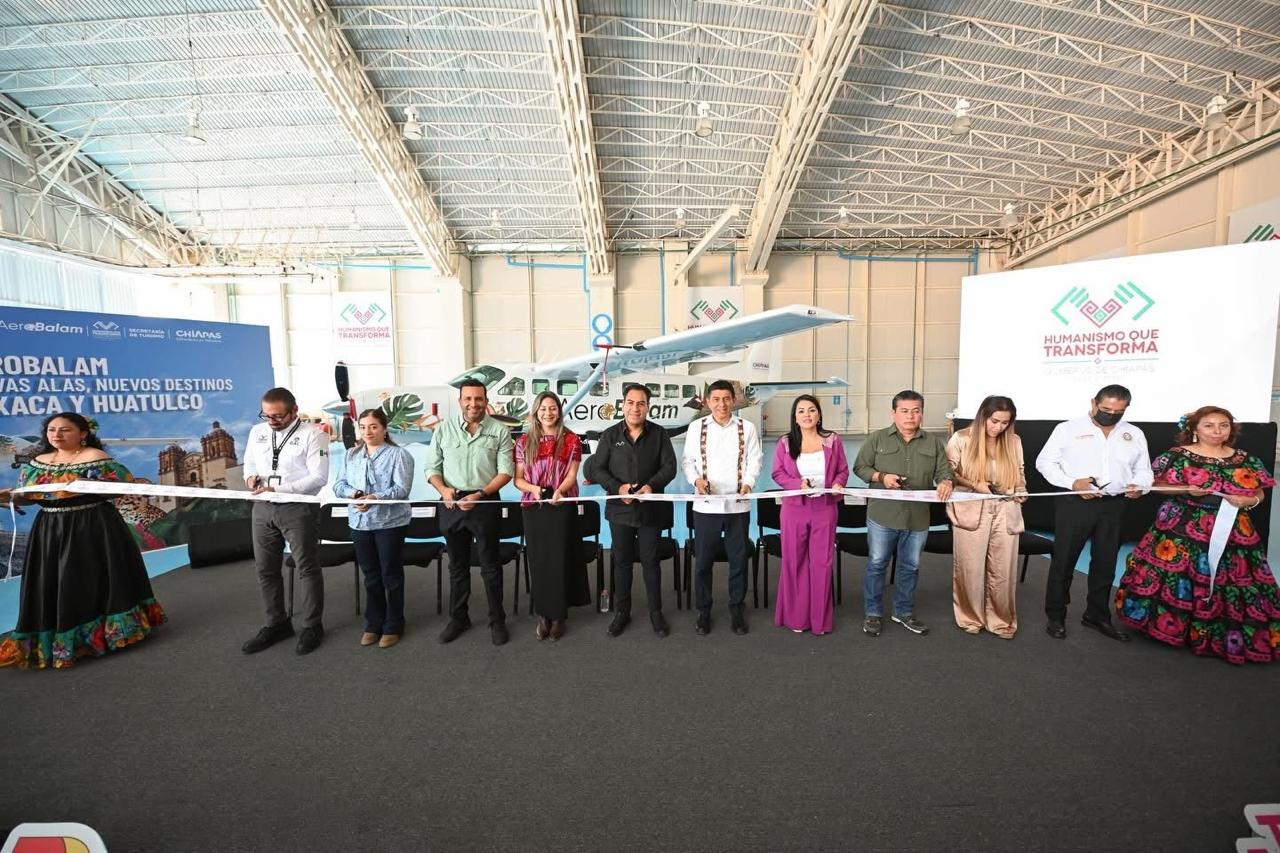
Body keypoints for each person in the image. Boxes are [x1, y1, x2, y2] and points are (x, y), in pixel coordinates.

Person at [0, 413, 166, 669]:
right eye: (52, 429)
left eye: (65, 429)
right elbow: (29, 497)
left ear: (83, 433)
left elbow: (123, 488)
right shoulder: (37, 462)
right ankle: (62, 637)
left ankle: (106, 634)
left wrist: (87, 486)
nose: (56, 434)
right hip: (50, 529)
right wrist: (11, 498)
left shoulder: (95, 458)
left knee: (91, 578)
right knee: (57, 580)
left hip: (93, 526)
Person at [1115, 406, 1279, 664]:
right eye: (1209, 425)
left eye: (1223, 425)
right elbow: (1154, 485)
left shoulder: (1245, 458)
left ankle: (1222, 635)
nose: (1217, 431)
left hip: (1233, 529)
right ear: (1194, 429)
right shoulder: (1177, 456)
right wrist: (1185, 489)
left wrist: (1249, 501)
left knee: (1232, 578)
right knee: (1180, 576)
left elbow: (1259, 491)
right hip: (1181, 527)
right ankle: (1174, 629)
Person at [1036, 384, 1153, 642]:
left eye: (1118, 412)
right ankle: (1055, 615)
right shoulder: (1067, 429)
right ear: (1093, 403)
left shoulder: (1134, 434)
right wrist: (1072, 483)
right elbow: (1044, 462)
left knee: (1106, 562)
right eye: (1106, 409)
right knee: (1064, 560)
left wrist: (1140, 486)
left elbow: (1144, 470)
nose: (1111, 415)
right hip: (1074, 503)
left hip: (1115, 504)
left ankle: (1097, 615)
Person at [853, 390, 953, 637]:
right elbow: (860, 467)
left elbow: (944, 471)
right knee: (877, 564)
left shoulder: (933, 443)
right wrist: (881, 477)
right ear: (894, 413)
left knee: (911, 566)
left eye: (916, 411)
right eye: (904, 411)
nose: (910, 416)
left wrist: (945, 481)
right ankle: (873, 613)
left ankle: (903, 611)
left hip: (917, 517)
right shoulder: (877, 439)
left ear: (922, 413)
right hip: (883, 515)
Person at [242, 386, 330, 656]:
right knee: (265, 569)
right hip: (262, 508)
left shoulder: (314, 435)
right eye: (266, 415)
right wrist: (250, 478)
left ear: (294, 411)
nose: (271, 421)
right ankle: (276, 623)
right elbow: (249, 464)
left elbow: (318, 478)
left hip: (298, 508)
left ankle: (312, 626)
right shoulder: (257, 432)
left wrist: (279, 490)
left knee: (306, 567)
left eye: (278, 416)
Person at [426, 379, 515, 646]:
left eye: (478, 399)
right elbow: (432, 468)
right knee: (457, 566)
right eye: (468, 398)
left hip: (485, 502)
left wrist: (480, 495)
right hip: (451, 504)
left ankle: (497, 620)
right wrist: (443, 490)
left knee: (490, 566)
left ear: (486, 401)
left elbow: (506, 472)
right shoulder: (443, 430)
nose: (473, 404)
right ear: (460, 401)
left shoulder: (500, 431)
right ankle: (458, 618)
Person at [584, 383, 677, 638]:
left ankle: (656, 612)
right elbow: (597, 469)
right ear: (623, 405)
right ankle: (621, 612)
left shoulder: (659, 434)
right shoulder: (609, 435)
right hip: (620, 511)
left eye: (641, 403)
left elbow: (669, 467)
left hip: (650, 511)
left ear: (648, 407)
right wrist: (618, 487)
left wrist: (651, 486)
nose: (635, 408)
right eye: (631, 403)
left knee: (651, 562)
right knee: (622, 562)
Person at [683, 379, 763, 636]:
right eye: (716, 399)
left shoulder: (747, 428)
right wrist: (696, 481)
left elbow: (755, 460)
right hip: (706, 507)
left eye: (726, 399)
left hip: (738, 506)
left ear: (734, 400)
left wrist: (749, 483)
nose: (721, 404)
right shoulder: (696, 427)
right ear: (708, 402)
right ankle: (703, 610)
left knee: (738, 561)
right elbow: (688, 461)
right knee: (703, 561)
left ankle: (737, 608)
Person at [945, 396, 1027, 639]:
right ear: (983, 416)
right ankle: (970, 618)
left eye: (1005, 423)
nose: (998, 427)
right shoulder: (961, 438)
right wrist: (974, 484)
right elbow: (948, 472)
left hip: (1006, 510)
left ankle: (1001, 621)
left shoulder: (1014, 441)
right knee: (969, 568)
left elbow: (1020, 473)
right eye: (994, 421)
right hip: (971, 510)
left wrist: (1021, 490)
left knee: (1004, 570)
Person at [332, 408, 414, 649]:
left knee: (391, 575)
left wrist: (374, 498)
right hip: (360, 523)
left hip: (390, 523)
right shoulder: (350, 455)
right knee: (370, 576)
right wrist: (355, 494)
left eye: (373, 426)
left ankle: (394, 625)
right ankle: (373, 624)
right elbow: (339, 485)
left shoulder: (399, 455)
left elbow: (402, 489)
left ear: (384, 429)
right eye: (363, 427)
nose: (367, 432)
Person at [513, 392, 591, 641]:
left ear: (559, 411)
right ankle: (543, 615)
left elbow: (572, 475)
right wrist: (535, 490)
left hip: (561, 502)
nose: (548, 413)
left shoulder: (571, 439)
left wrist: (560, 491)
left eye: (553, 408)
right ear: (536, 412)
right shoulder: (523, 442)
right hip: (533, 506)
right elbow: (518, 480)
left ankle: (558, 616)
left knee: (559, 560)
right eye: (543, 409)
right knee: (539, 561)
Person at [770, 395, 848, 635]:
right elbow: (778, 473)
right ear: (795, 417)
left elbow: (843, 470)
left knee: (822, 563)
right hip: (794, 509)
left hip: (825, 508)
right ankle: (797, 618)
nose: (807, 415)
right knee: (794, 561)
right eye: (801, 411)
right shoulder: (785, 442)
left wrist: (838, 483)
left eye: (811, 410)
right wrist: (798, 484)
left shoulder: (832, 440)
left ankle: (819, 621)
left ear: (819, 415)